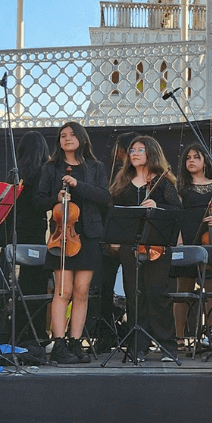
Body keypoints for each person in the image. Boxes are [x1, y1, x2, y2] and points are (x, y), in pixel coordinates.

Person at [37, 122, 110, 364]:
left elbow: (104, 197)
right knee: (63, 290)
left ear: (82, 138)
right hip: (62, 235)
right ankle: (58, 343)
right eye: (62, 136)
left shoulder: (95, 167)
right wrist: (55, 197)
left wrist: (79, 185)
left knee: (81, 291)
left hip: (88, 234)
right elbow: (38, 201)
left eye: (71, 135)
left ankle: (76, 343)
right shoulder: (51, 168)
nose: (66, 138)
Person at [109, 135, 182, 361]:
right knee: (134, 295)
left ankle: (168, 345)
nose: (135, 153)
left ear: (151, 152)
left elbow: (178, 211)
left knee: (157, 294)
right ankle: (138, 346)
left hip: (157, 246)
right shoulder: (123, 181)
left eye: (140, 150)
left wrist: (157, 206)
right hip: (130, 246)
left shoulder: (163, 182)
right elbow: (113, 210)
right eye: (132, 150)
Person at [174, 142, 212, 348]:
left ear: (205, 160)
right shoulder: (182, 189)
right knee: (183, 289)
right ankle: (179, 337)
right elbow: (177, 217)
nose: (191, 161)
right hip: (188, 240)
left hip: (211, 241)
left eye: (196, 157)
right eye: (188, 158)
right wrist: (179, 240)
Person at [91, 131, 138, 352]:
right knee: (105, 287)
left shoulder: (136, 176)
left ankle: (133, 331)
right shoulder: (112, 173)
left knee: (132, 287)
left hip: (130, 237)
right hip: (109, 236)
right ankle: (107, 332)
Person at [10, 132, 53, 345]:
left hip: (16, 229)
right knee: (37, 282)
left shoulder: (17, 174)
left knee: (21, 284)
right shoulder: (45, 171)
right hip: (36, 230)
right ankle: (38, 333)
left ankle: (17, 331)